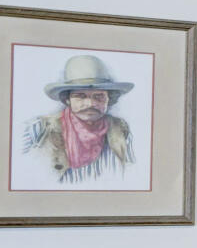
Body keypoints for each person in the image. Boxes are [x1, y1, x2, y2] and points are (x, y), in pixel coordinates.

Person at [22, 54, 134, 182]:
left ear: (109, 99)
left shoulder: (120, 128)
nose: (90, 104)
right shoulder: (39, 129)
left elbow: (131, 172)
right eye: (80, 96)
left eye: (99, 96)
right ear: (67, 99)